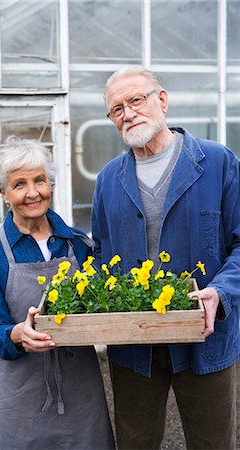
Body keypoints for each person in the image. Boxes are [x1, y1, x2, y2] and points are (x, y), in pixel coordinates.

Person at [91, 66, 240, 450]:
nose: (127, 113)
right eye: (116, 109)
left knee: (213, 442)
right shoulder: (108, 179)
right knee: (135, 442)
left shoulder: (218, 162)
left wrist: (220, 291)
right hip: (133, 343)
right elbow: (100, 253)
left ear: (162, 99)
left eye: (135, 99)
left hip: (205, 337)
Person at [0, 136, 115, 450]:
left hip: (80, 385)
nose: (33, 192)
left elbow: (103, 302)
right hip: (21, 390)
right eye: (19, 184)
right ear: (3, 193)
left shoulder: (78, 244)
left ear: (50, 184)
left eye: (40, 180)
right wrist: (18, 334)